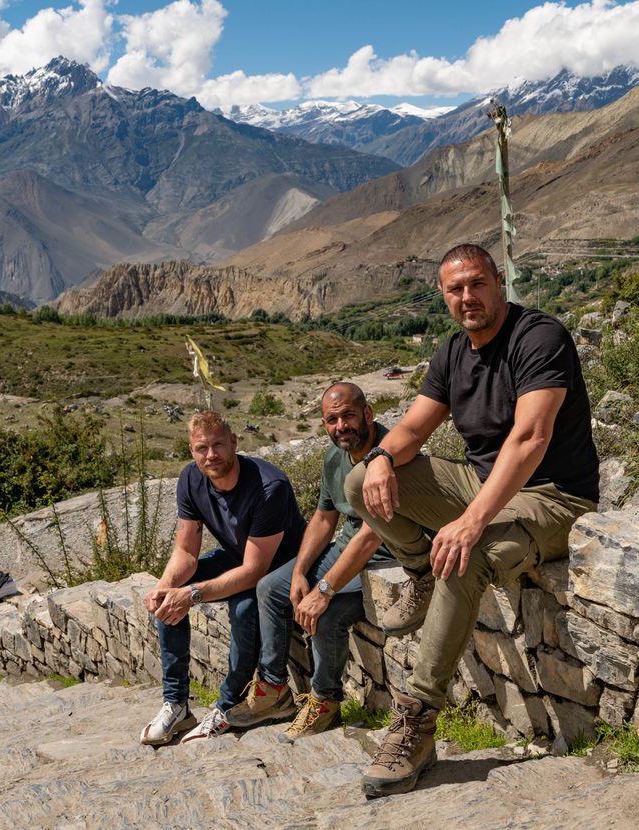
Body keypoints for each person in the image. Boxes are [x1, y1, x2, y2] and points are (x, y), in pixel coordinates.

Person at [345, 243, 599, 797]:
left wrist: (470, 522)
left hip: (553, 498)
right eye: (455, 289)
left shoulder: (539, 337)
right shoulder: (452, 353)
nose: (468, 298)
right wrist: (382, 459)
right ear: (443, 295)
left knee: (468, 554)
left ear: (499, 281)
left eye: (477, 284)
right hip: (487, 489)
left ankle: (416, 719)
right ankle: (418, 568)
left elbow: (531, 438)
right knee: (357, 482)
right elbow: (412, 429)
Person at [226, 382, 391, 742]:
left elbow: (372, 535)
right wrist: (301, 572)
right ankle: (273, 689)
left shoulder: (388, 454)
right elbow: (322, 518)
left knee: (326, 614)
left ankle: (325, 703)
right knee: (271, 587)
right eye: (332, 420)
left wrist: (324, 589)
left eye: (348, 415)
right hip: (345, 549)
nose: (341, 426)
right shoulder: (335, 456)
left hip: (383, 557)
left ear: (368, 413)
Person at [140, 411, 306, 745]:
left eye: (218, 445)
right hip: (238, 555)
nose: (211, 455)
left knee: (245, 609)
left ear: (234, 442)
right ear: (191, 450)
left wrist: (194, 594)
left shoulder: (267, 486)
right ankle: (176, 704)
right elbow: (186, 551)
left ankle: (229, 706)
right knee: (168, 595)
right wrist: (165, 585)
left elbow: (255, 571)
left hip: (279, 564)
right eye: (202, 448)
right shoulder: (190, 479)